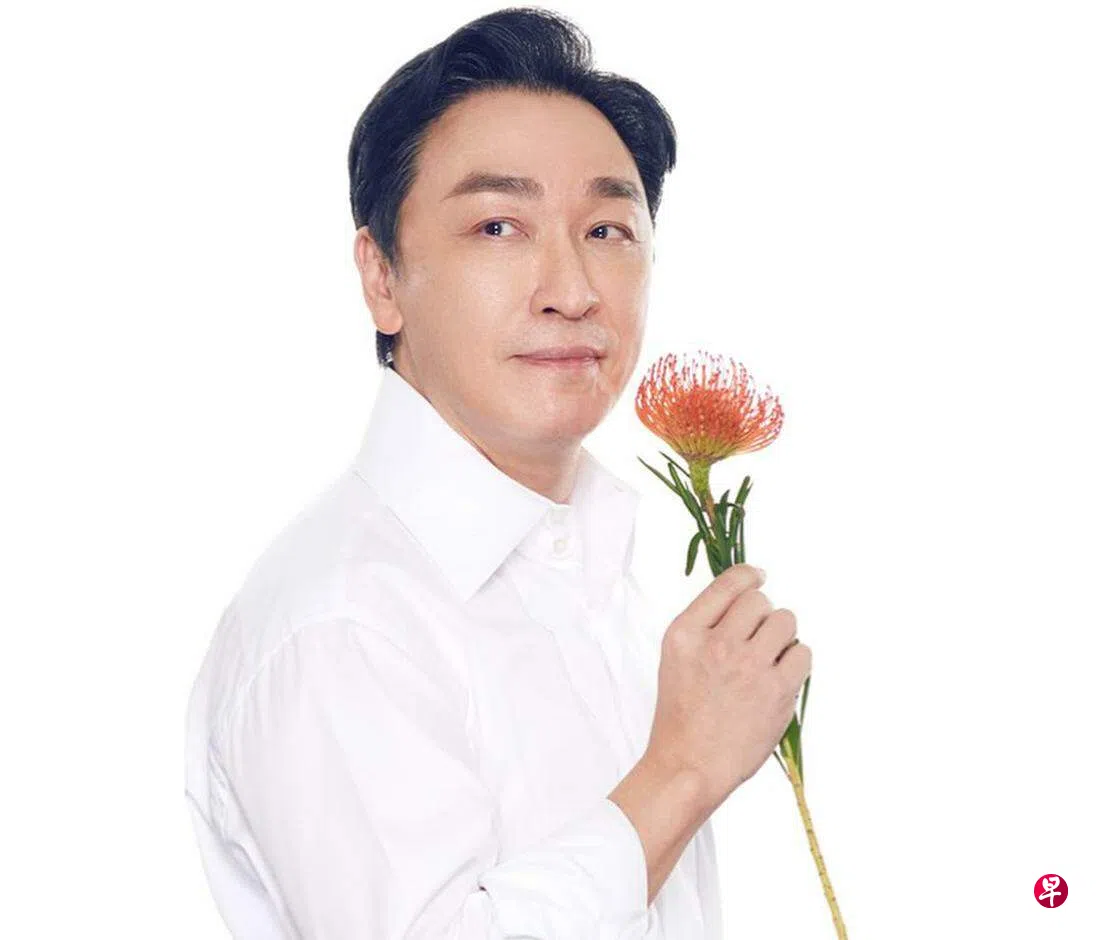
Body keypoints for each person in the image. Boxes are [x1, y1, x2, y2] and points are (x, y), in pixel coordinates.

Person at [184, 7, 811, 938]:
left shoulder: (594, 575)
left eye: (608, 229)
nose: (572, 290)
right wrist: (683, 770)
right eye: (498, 226)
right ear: (382, 277)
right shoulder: (340, 623)